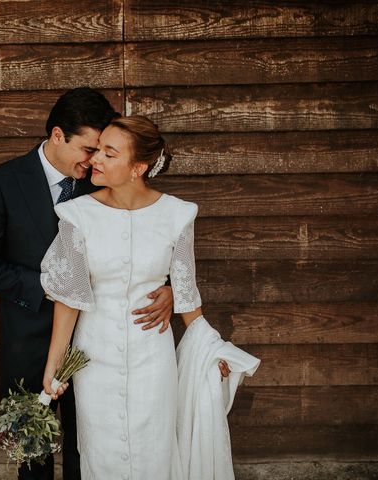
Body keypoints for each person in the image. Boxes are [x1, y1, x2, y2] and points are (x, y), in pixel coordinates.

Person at [0, 89, 177, 480]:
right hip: (28, 339)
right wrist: (51, 284)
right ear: (58, 135)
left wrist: (170, 287)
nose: (95, 159)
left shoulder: (104, 181)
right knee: (34, 456)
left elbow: (146, 238)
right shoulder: (3, 181)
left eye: (102, 151)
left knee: (88, 447)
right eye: (88, 148)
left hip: (97, 344)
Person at [41, 116, 248, 480]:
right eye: (98, 149)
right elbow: (69, 298)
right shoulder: (76, 215)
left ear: (138, 167)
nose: (95, 160)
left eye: (109, 153)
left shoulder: (178, 215)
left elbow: (186, 294)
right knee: (100, 454)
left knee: (155, 450)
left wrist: (211, 351)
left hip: (153, 358)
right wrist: (54, 366)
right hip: (93, 359)